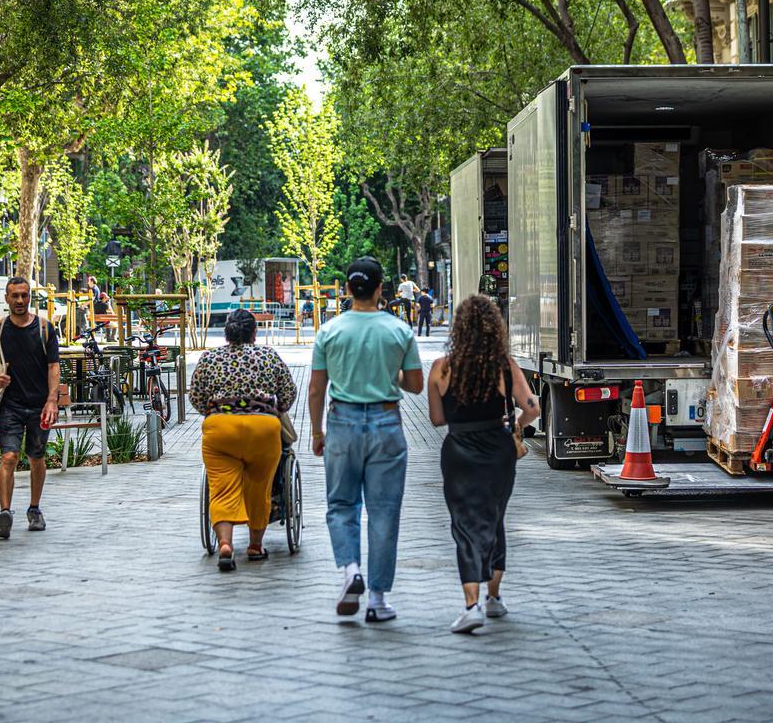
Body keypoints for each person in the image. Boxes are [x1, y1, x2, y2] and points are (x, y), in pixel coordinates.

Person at [308, 256, 423, 622]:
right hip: (386, 423)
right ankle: (376, 598)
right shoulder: (398, 331)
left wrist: (316, 431)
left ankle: (350, 571)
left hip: (341, 421)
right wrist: (391, 373)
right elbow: (416, 384)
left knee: (342, 504)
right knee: (384, 511)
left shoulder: (329, 331)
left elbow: (315, 388)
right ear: (379, 290)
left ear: (346, 290)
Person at [427, 296, 538, 633]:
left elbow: (436, 419)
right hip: (499, 450)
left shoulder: (441, 368)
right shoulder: (505, 365)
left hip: (459, 450)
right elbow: (532, 406)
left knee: (464, 524)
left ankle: (470, 604)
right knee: (495, 517)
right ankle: (494, 598)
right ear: (494, 329)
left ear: (458, 329)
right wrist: (515, 424)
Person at [190, 309, 296, 571]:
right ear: (254, 333)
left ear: (226, 333)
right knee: (260, 487)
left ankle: (225, 544)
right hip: (263, 429)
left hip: (220, 430)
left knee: (222, 488)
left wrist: (217, 410)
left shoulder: (209, 358)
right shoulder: (268, 355)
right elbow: (288, 394)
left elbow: (196, 397)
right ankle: (255, 546)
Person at [0, 277, 61, 540]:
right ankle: (5, 513)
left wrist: (52, 400)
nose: (19, 300)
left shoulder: (45, 328)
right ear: (7, 298)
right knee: (9, 457)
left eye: (24, 296)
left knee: (36, 458)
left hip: (40, 406)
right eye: (14, 296)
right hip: (11, 405)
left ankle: (34, 509)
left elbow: (53, 367)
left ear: (30, 298)